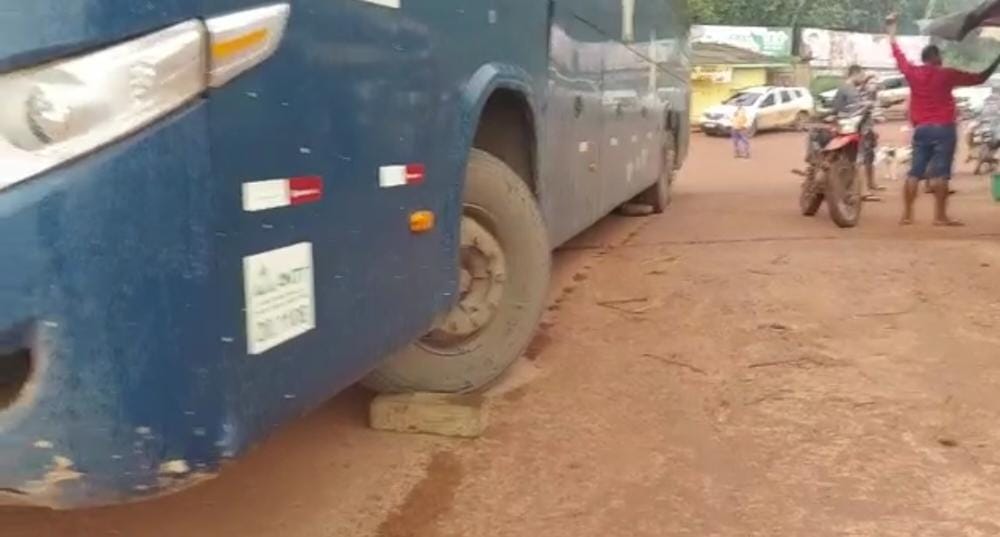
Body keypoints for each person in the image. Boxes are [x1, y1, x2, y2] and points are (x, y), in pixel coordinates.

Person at [887, 14, 1000, 226]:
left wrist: (891, 28)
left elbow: (897, 53)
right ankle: (940, 216)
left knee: (914, 172)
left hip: (921, 130)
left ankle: (907, 215)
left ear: (923, 59)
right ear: (937, 58)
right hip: (944, 129)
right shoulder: (946, 74)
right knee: (941, 174)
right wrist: (997, 60)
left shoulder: (912, 73)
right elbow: (980, 78)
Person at [832, 65, 885, 199]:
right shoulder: (850, 90)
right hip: (854, 129)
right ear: (855, 74)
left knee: (861, 158)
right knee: (858, 159)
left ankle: (862, 188)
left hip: (854, 128)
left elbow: (836, 109)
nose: (863, 78)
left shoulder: (846, 89)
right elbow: (851, 111)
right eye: (862, 75)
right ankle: (863, 191)